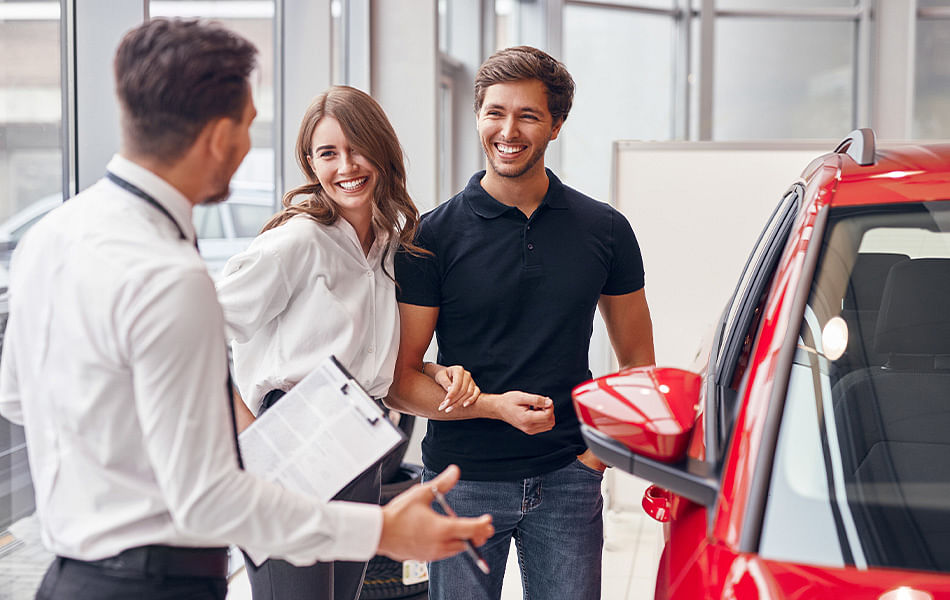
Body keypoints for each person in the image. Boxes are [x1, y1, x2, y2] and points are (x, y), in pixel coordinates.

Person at [0, 18, 491, 600]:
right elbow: (207, 495)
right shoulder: (173, 276)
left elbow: (16, 399)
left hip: (73, 573)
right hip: (155, 577)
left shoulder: (49, 236)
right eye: (250, 127)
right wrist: (382, 530)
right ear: (219, 137)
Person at [388, 46, 655, 600]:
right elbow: (399, 380)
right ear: (478, 116)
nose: (508, 130)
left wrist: (593, 459)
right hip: (461, 481)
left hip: (568, 479)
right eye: (495, 112)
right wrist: (489, 405)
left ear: (556, 125)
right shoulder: (430, 239)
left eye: (528, 115)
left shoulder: (604, 229)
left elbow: (637, 365)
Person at [215, 85, 480, 600]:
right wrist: (250, 438)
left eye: (357, 148)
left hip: (361, 440)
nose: (346, 166)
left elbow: (372, 358)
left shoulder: (387, 245)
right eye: (328, 153)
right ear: (311, 165)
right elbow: (196, 332)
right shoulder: (296, 241)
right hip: (292, 440)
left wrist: (432, 372)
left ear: (381, 151)